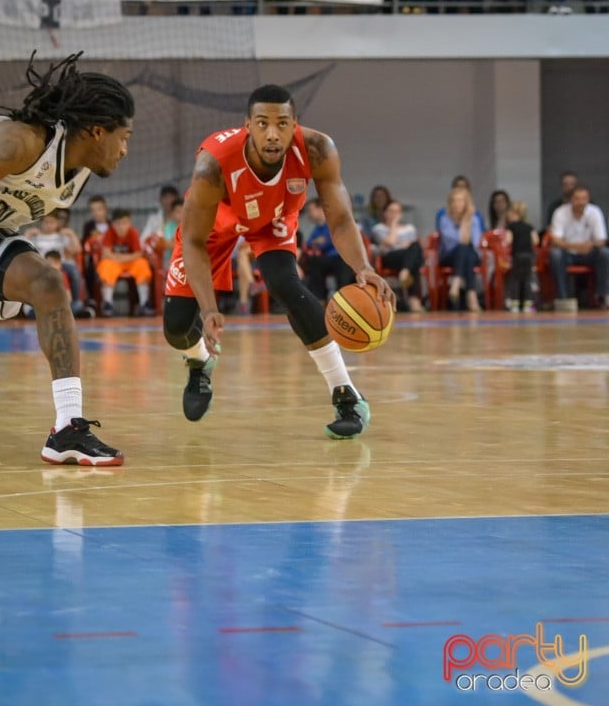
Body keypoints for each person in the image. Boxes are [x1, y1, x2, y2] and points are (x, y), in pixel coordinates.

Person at [163, 83, 394, 439]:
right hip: (216, 224)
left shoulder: (317, 149)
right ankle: (199, 360)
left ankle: (346, 394)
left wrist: (363, 267)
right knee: (177, 326)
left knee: (286, 284)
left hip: (273, 217)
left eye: (282, 124)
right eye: (263, 124)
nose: (272, 134)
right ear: (247, 126)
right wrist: (208, 310)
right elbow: (193, 242)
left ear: (295, 125)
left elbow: (340, 218)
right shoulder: (213, 165)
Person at [0, 52, 133, 464]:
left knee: (47, 283)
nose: (125, 150)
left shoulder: (79, 173)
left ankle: (67, 429)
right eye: (124, 137)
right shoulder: (21, 142)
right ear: (97, 131)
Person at [550, 186, 609, 305]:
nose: (581, 202)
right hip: (567, 253)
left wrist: (591, 245)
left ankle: (602, 296)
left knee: (605, 253)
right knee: (555, 254)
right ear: (571, 199)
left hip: (589, 252)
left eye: (584, 199)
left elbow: (602, 239)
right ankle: (563, 298)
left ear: (588, 199)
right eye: (577, 199)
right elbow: (556, 240)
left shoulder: (595, 212)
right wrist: (576, 246)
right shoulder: (560, 212)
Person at [97, 208, 155, 317]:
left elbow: (138, 254)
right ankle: (107, 303)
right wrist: (123, 258)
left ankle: (144, 303)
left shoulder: (133, 232)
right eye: (118, 223)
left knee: (142, 265)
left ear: (129, 223)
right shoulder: (109, 232)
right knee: (105, 266)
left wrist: (120, 257)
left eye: (124, 223)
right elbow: (106, 253)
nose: (121, 227)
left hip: (128, 262)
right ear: (113, 224)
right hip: (115, 263)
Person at [371, 200, 424, 312]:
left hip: (407, 256)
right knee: (413, 259)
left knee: (415, 250)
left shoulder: (409, 228)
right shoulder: (378, 228)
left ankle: (404, 272)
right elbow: (391, 241)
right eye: (391, 211)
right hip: (390, 257)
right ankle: (414, 300)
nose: (394, 214)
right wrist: (394, 225)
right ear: (385, 213)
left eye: (397, 212)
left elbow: (413, 246)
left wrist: (398, 244)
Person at [438, 186, 484, 312]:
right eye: (453, 200)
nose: (456, 204)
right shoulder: (444, 219)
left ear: (466, 203)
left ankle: (456, 282)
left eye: (460, 200)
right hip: (449, 255)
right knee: (464, 250)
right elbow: (453, 241)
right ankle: (471, 295)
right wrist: (465, 225)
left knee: (467, 252)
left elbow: (475, 242)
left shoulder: (474, 219)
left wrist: (466, 219)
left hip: (470, 254)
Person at [300, 197, 354, 302]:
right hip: (325, 258)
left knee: (344, 264)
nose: (309, 214)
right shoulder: (317, 229)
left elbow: (330, 241)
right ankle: (319, 299)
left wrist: (321, 242)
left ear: (320, 208)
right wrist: (319, 242)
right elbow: (309, 244)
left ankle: (344, 300)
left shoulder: (334, 223)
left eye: (310, 210)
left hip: (340, 257)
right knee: (313, 262)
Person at [506, 201, 539, 313]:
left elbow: (508, 240)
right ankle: (527, 304)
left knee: (516, 279)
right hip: (529, 256)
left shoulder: (511, 227)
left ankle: (515, 304)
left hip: (517, 255)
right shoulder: (529, 227)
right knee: (527, 279)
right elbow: (535, 240)